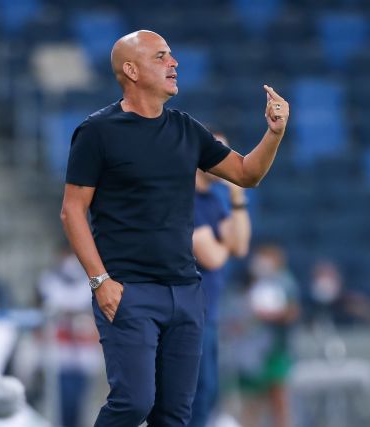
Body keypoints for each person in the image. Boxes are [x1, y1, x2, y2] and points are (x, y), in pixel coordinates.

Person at [60, 30, 289, 426]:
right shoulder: (97, 131)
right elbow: (72, 211)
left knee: (174, 416)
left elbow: (246, 173)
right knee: (133, 403)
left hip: (185, 291)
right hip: (128, 290)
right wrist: (100, 281)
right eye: (161, 56)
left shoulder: (186, 128)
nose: (174, 62)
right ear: (131, 70)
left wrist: (274, 133)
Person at [188, 132, 251, 427]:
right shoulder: (186, 198)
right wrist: (225, 242)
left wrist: (237, 196)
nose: (227, 160)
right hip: (189, 313)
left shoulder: (213, 200)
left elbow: (240, 246)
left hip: (209, 312)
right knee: (196, 394)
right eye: (219, 152)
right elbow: (212, 256)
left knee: (208, 391)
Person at [36, 245, 102, 427]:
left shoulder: (92, 281)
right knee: (59, 406)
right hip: (58, 353)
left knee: (82, 406)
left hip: (84, 354)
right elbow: (44, 310)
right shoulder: (48, 281)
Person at [239, 245, 299, 427]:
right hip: (253, 352)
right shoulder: (252, 283)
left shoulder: (285, 282)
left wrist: (272, 315)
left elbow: (293, 312)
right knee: (252, 401)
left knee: (278, 400)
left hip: (276, 350)